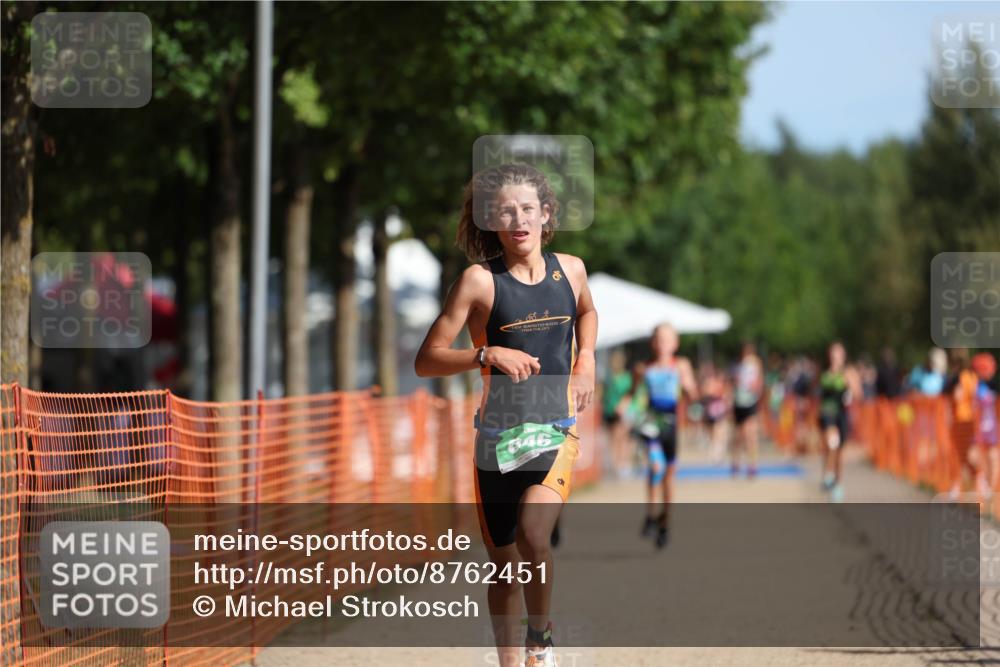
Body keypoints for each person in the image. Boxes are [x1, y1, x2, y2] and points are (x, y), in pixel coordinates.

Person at [414, 164, 596, 667]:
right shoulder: (479, 283)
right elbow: (426, 359)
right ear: (492, 220)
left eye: (528, 209)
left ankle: (540, 640)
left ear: (547, 215)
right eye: (506, 211)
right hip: (495, 441)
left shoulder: (571, 270)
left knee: (535, 536)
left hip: (556, 431)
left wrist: (587, 360)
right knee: (503, 570)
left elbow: (586, 310)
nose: (518, 219)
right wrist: (484, 354)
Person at [629, 323, 698, 549]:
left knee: (668, 477)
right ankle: (650, 513)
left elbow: (692, 394)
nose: (662, 344)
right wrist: (627, 409)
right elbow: (634, 395)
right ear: (653, 343)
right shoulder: (644, 368)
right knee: (656, 468)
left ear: (675, 343)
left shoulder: (681, 365)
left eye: (667, 340)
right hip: (652, 425)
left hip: (671, 427)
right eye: (658, 339)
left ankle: (665, 521)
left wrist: (688, 388)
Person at [818, 341, 860, 502]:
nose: (835, 357)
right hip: (827, 413)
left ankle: (838, 483)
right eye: (832, 353)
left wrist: (850, 386)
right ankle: (828, 473)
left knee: (839, 452)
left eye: (838, 353)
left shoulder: (848, 372)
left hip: (841, 415)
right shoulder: (825, 373)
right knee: (831, 442)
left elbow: (858, 395)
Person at [948, 349, 979, 500]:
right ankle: (976, 484)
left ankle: (961, 486)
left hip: (960, 420)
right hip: (972, 420)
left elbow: (957, 396)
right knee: (967, 455)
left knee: (961, 456)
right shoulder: (973, 377)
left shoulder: (960, 378)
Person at [731, 341, 764, 478]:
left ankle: (753, 464)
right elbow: (734, 383)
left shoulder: (756, 365)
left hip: (750, 402)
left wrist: (756, 390)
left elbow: (759, 383)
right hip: (739, 402)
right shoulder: (737, 366)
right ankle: (737, 462)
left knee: (751, 434)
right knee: (739, 436)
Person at [602, 349, 633, 478]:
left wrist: (623, 406)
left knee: (622, 437)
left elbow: (630, 393)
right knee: (613, 439)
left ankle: (623, 464)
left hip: (622, 412)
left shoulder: (626, 377)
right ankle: (615, 465)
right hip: (609, 410)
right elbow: (604, 393)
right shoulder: (608, 377)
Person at [972, 353, 998, 496]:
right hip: (981, 428)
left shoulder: (989, 386)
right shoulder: (978, 387)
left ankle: (989, 486)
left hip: (991, 427)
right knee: (979, 457)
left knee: (993, 457)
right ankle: (984, 483)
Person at [700, 362, 729, 463]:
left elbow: (725, 396)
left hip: (718, 409)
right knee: (712, 431)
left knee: (718, 431)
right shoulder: (708, 383)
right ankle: (715, 449)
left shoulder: (720, 384)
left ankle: (717, 452)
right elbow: (705, 394)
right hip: (710, 409)